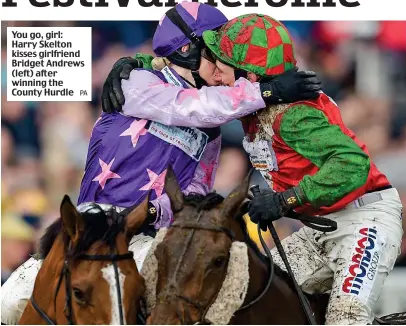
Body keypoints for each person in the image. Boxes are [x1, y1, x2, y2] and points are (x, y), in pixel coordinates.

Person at [0, 4, 323, 325]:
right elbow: (192, 108)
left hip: (143, 238)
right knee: (8, 303)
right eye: (215, 52)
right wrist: (266, 91)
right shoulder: (134, 83)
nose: (225, 62)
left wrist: (156, 211)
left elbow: (194, 193)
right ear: (186, 50)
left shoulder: (210, 135)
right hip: (88, 228)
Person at [200, 13, 403, 325]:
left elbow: (352, 166)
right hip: (321, 226)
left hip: (365, 221)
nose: (216, 76)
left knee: (345, 318)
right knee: (245, 297)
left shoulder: (291, 115)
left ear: (250, 77)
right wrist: (144, 66)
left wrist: (283, 201)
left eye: (222, 67)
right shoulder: (255, 102)